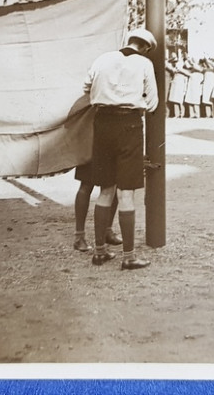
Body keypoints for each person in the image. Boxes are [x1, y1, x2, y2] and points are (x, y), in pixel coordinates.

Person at [83, 28, 158, 270]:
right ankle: (129, 256)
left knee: (105, 189)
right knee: (126, 193)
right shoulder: (145, 63)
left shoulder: (103, 58)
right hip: (129, 125)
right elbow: (153, 103)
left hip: (102, 123)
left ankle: (100, 252)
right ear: (146, 47)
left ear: (129, 41)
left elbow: (86, 87)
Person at [72, 163, 121, 252]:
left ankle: (107, 231)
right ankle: (79, 237)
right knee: (86, 184)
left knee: (113, 184)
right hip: (89, 151)